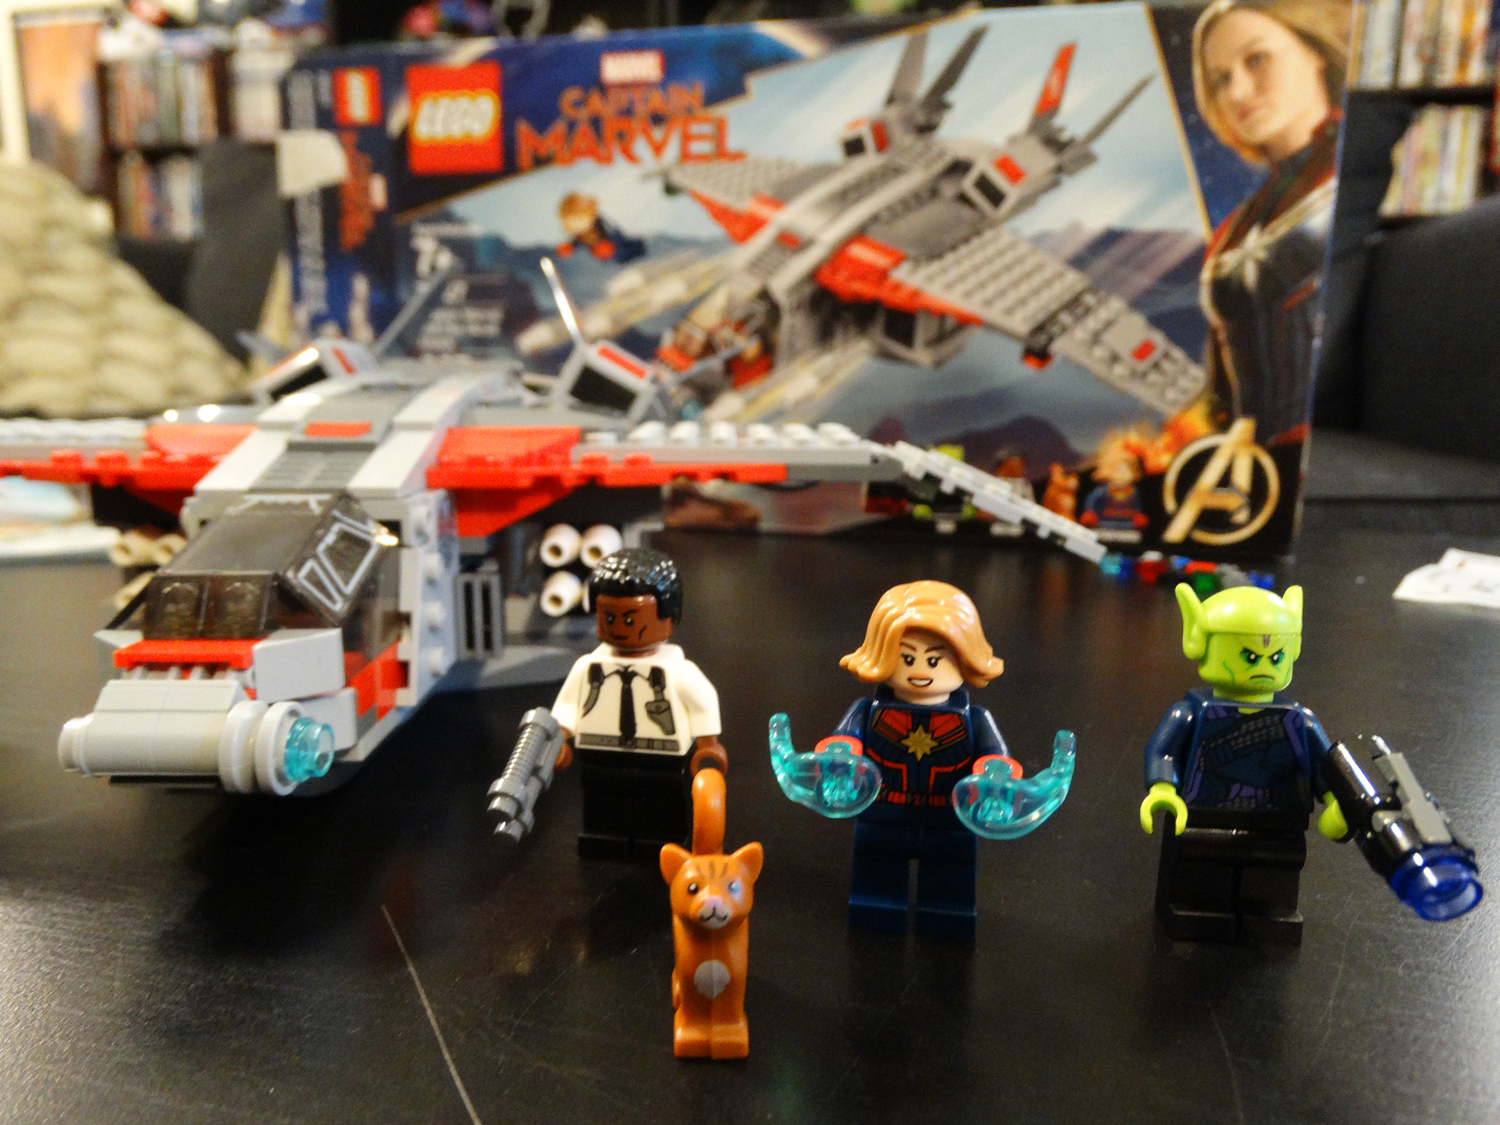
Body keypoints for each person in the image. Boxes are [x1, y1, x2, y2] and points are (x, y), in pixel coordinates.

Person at [1138, 584, 1347, 943]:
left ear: (1292, 649)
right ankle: (1196, 911)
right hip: (1205, 813)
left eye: (1275, 657)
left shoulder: (1300, 721)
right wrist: (1163, 789)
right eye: (1250, 657)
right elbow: (1163, 751)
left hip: (1278, 819)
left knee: (1275, 866)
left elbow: (1323, 765)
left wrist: (1336, 801)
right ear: (1198, 641)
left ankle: (1268, 914)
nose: (1264, 667)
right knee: (1201, 860)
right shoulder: (1189, 713)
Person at [1192, 0, 1350, 446]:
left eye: (1257, 59)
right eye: (1221, 80)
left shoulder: (1358, 167)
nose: (1238, 92)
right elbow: (1221, 394)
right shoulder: (1236, 229)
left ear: (1314, 50)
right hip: (1253, 466)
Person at [831, 581, 1018, 940]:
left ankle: (946, 914)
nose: (920, 671)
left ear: (966, 656)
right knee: (876, 880)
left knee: (949, 886)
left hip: (948, 815)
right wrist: (841, 756)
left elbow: (995, 756)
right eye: (906, 657)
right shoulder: (867, 711)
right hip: (883, 811)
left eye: (934, 659)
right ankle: (877, 909)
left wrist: (994, 774)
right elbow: (844, 742)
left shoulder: (974, 719)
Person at [550, 548, 727, 860]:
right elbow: (567, 708)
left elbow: (703, 702)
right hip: (600, 752)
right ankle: (604, 838)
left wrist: (708, 744)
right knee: (602, 798)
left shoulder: (677, 671)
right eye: (609, 617)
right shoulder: (587, 667)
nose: (620, 627)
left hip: (661, 756)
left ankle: (661, 843)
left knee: (660, 799)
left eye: (631, 618)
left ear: (668, 615)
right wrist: (559, 739)